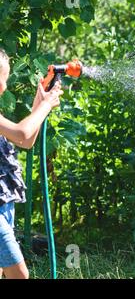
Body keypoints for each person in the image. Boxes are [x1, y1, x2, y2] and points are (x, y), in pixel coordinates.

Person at [0, 48, 63, 278]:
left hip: (4, 204)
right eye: (1, 80)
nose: (4, 88)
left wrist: (40, 103)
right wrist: (46, 106)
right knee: (19, 275)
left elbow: (27, 141)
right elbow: (22, 133)